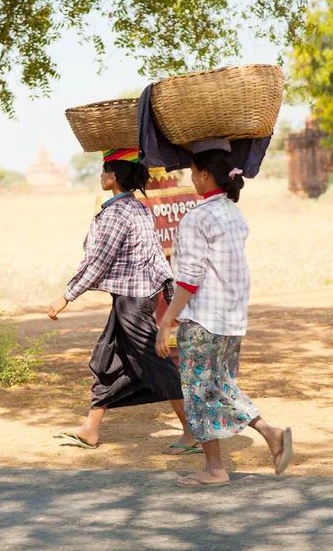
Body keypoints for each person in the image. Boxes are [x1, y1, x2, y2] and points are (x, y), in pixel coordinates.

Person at [48, 148, 201, 454]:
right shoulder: (140, 208)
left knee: (158, 362)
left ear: (115, 176)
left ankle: (193, 431)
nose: (101, 175)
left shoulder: (116, 213)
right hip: (134, 300)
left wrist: (66, 297)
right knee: (109, 360)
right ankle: (90, 429)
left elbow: (98, 261)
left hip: (131, 303)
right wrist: (169, 297)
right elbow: (157, 257)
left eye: (105, 170)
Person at [156, 148, 293, 486]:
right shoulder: (233, 213)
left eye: (192, 171)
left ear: (204, 175)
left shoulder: (197, 217)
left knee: (199, 392)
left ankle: (215, 468)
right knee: (220, 387)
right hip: (231, 319)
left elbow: (189, 278)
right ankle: (270, 434)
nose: (190, 178)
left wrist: (166, 320)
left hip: (203, 319)